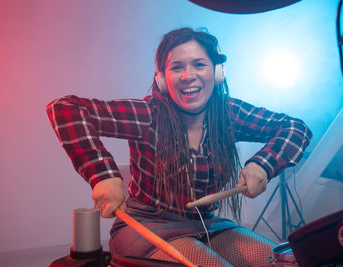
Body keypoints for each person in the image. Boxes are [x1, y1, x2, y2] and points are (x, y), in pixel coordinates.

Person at [47, 27, 312, 266]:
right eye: (176, 68)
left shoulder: (228, 113)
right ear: (162, 78)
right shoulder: (148, 113)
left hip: (208, 225)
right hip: (147, 227)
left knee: (285, 262)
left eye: (199, 64)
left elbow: (296, 128)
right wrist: (103, 176)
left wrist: (261, 165)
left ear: (217, 72)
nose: (188, 76)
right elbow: (65, 109)